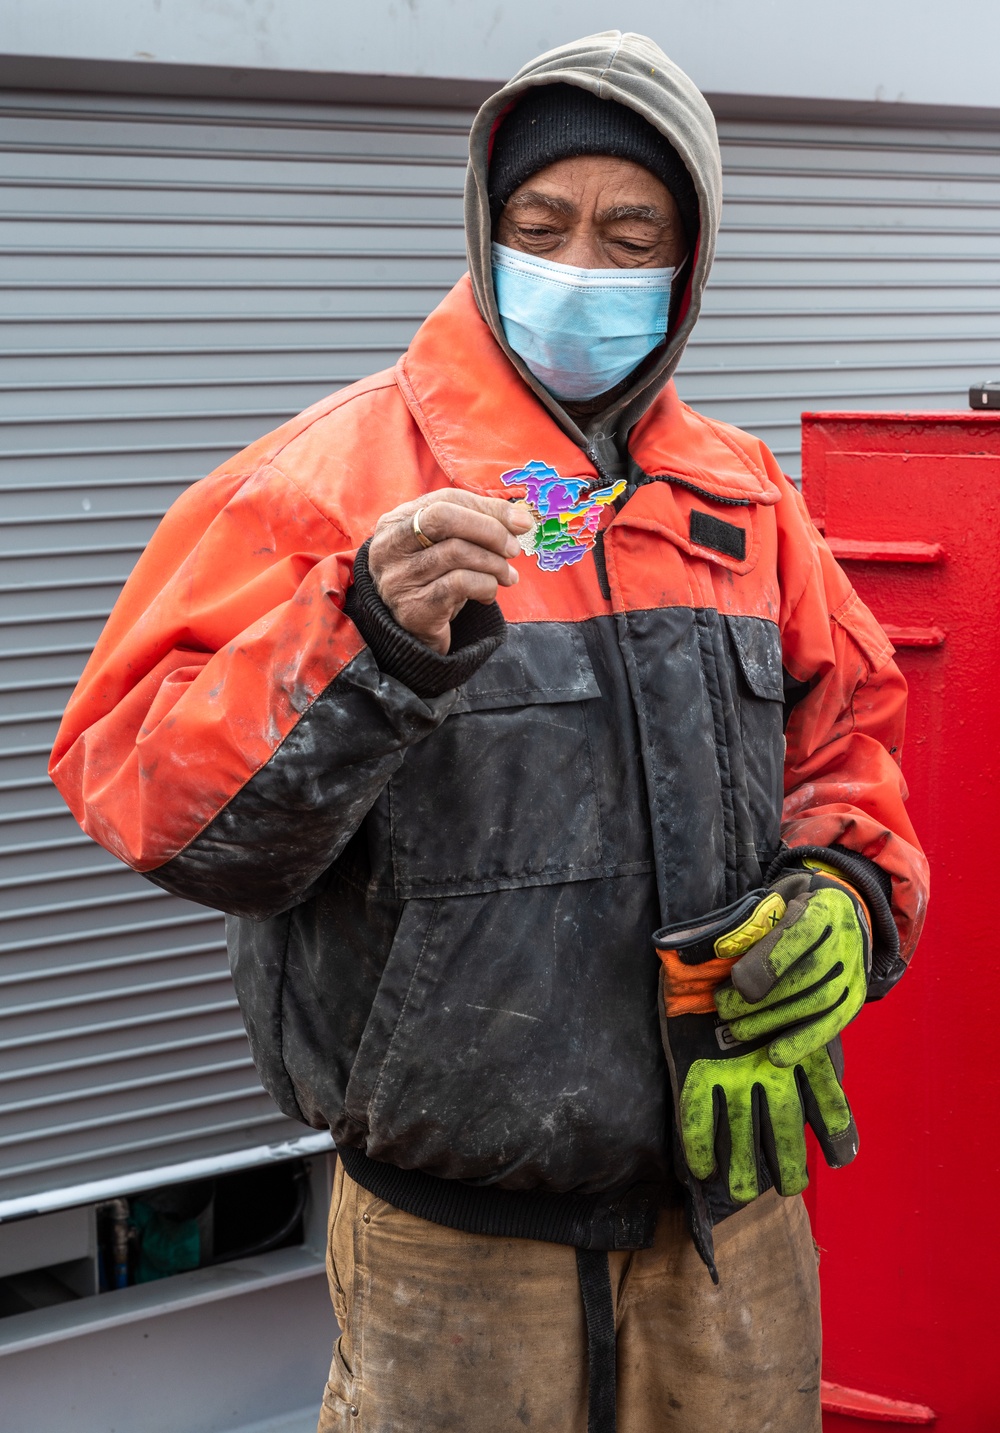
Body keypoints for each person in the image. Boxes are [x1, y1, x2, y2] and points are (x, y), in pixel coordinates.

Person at [50, 30, 928, 1433]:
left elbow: (850, 747)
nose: (585, 261)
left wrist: (850, 889)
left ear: (688, 266)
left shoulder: (745, 496)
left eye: (631, 232)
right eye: (544, 225)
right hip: (452, 1257)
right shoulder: (327, 481)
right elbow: (151, 802)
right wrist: (361, 634)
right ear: (486, 229)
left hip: (734, 1226)